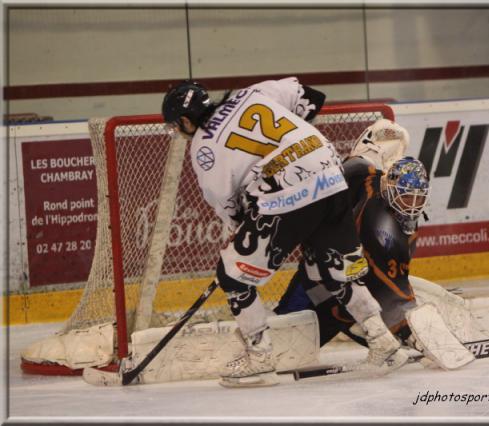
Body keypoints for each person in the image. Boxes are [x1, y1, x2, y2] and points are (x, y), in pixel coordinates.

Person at [161, 77, 408, 387]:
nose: (179, 132)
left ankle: (259, 356)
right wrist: (295, 149)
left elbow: (227, 205)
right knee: (336, 269)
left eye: (176, 126)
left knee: (232, 274)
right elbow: (310, 96)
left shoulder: (202, 147)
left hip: (285, 192)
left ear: (185, 120)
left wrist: (241, 232)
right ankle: (383, 341)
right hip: (331, 175)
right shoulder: (253, 93)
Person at [276, 154, 430, 349]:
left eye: (418, 197)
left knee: (392, 344)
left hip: (353, 299)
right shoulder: (374, 203)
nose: (412, 204)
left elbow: (393, 284)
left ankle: (383, 335)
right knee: (285, 343)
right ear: (390, 188)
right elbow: (389, 285)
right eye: (407, 196)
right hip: (320, 282)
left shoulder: (404, 229)